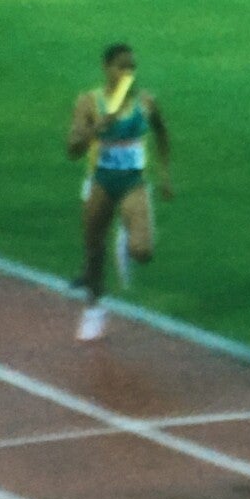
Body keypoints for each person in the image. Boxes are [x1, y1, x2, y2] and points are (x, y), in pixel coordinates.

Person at [66, 43, 173, 342]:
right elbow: (72, 149)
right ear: (106, 68)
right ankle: (94, 308)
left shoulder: (146, 102)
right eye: (121, 66)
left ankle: (126, 235)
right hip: (100, 181)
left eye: (131, 67)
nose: (128, 73)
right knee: (93, 249)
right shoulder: (90, 102)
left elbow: (162, 133)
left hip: (132, 183)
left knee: (143, 252)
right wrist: (96, 129)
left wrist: (165, 175)